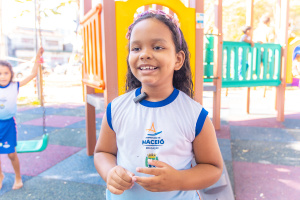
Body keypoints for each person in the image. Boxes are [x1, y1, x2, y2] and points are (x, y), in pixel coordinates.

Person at [94, 10, 223, 200]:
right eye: (136, 48)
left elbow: (213, 168)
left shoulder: (195, 115)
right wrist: (110, 172)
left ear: (178, 59)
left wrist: (179, 179)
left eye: (157, 47)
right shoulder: (116, 109)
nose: (144, 54)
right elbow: (102, 152)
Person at [0, 47, 44, 190]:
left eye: (6, 73)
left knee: (11, 154)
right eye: (0, 73)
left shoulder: (14, 86)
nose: (2, 76)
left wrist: (38, 57)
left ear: (11, 74)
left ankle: (18, 177)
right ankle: (0, 175)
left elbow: (32, 74)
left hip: (8, 125)